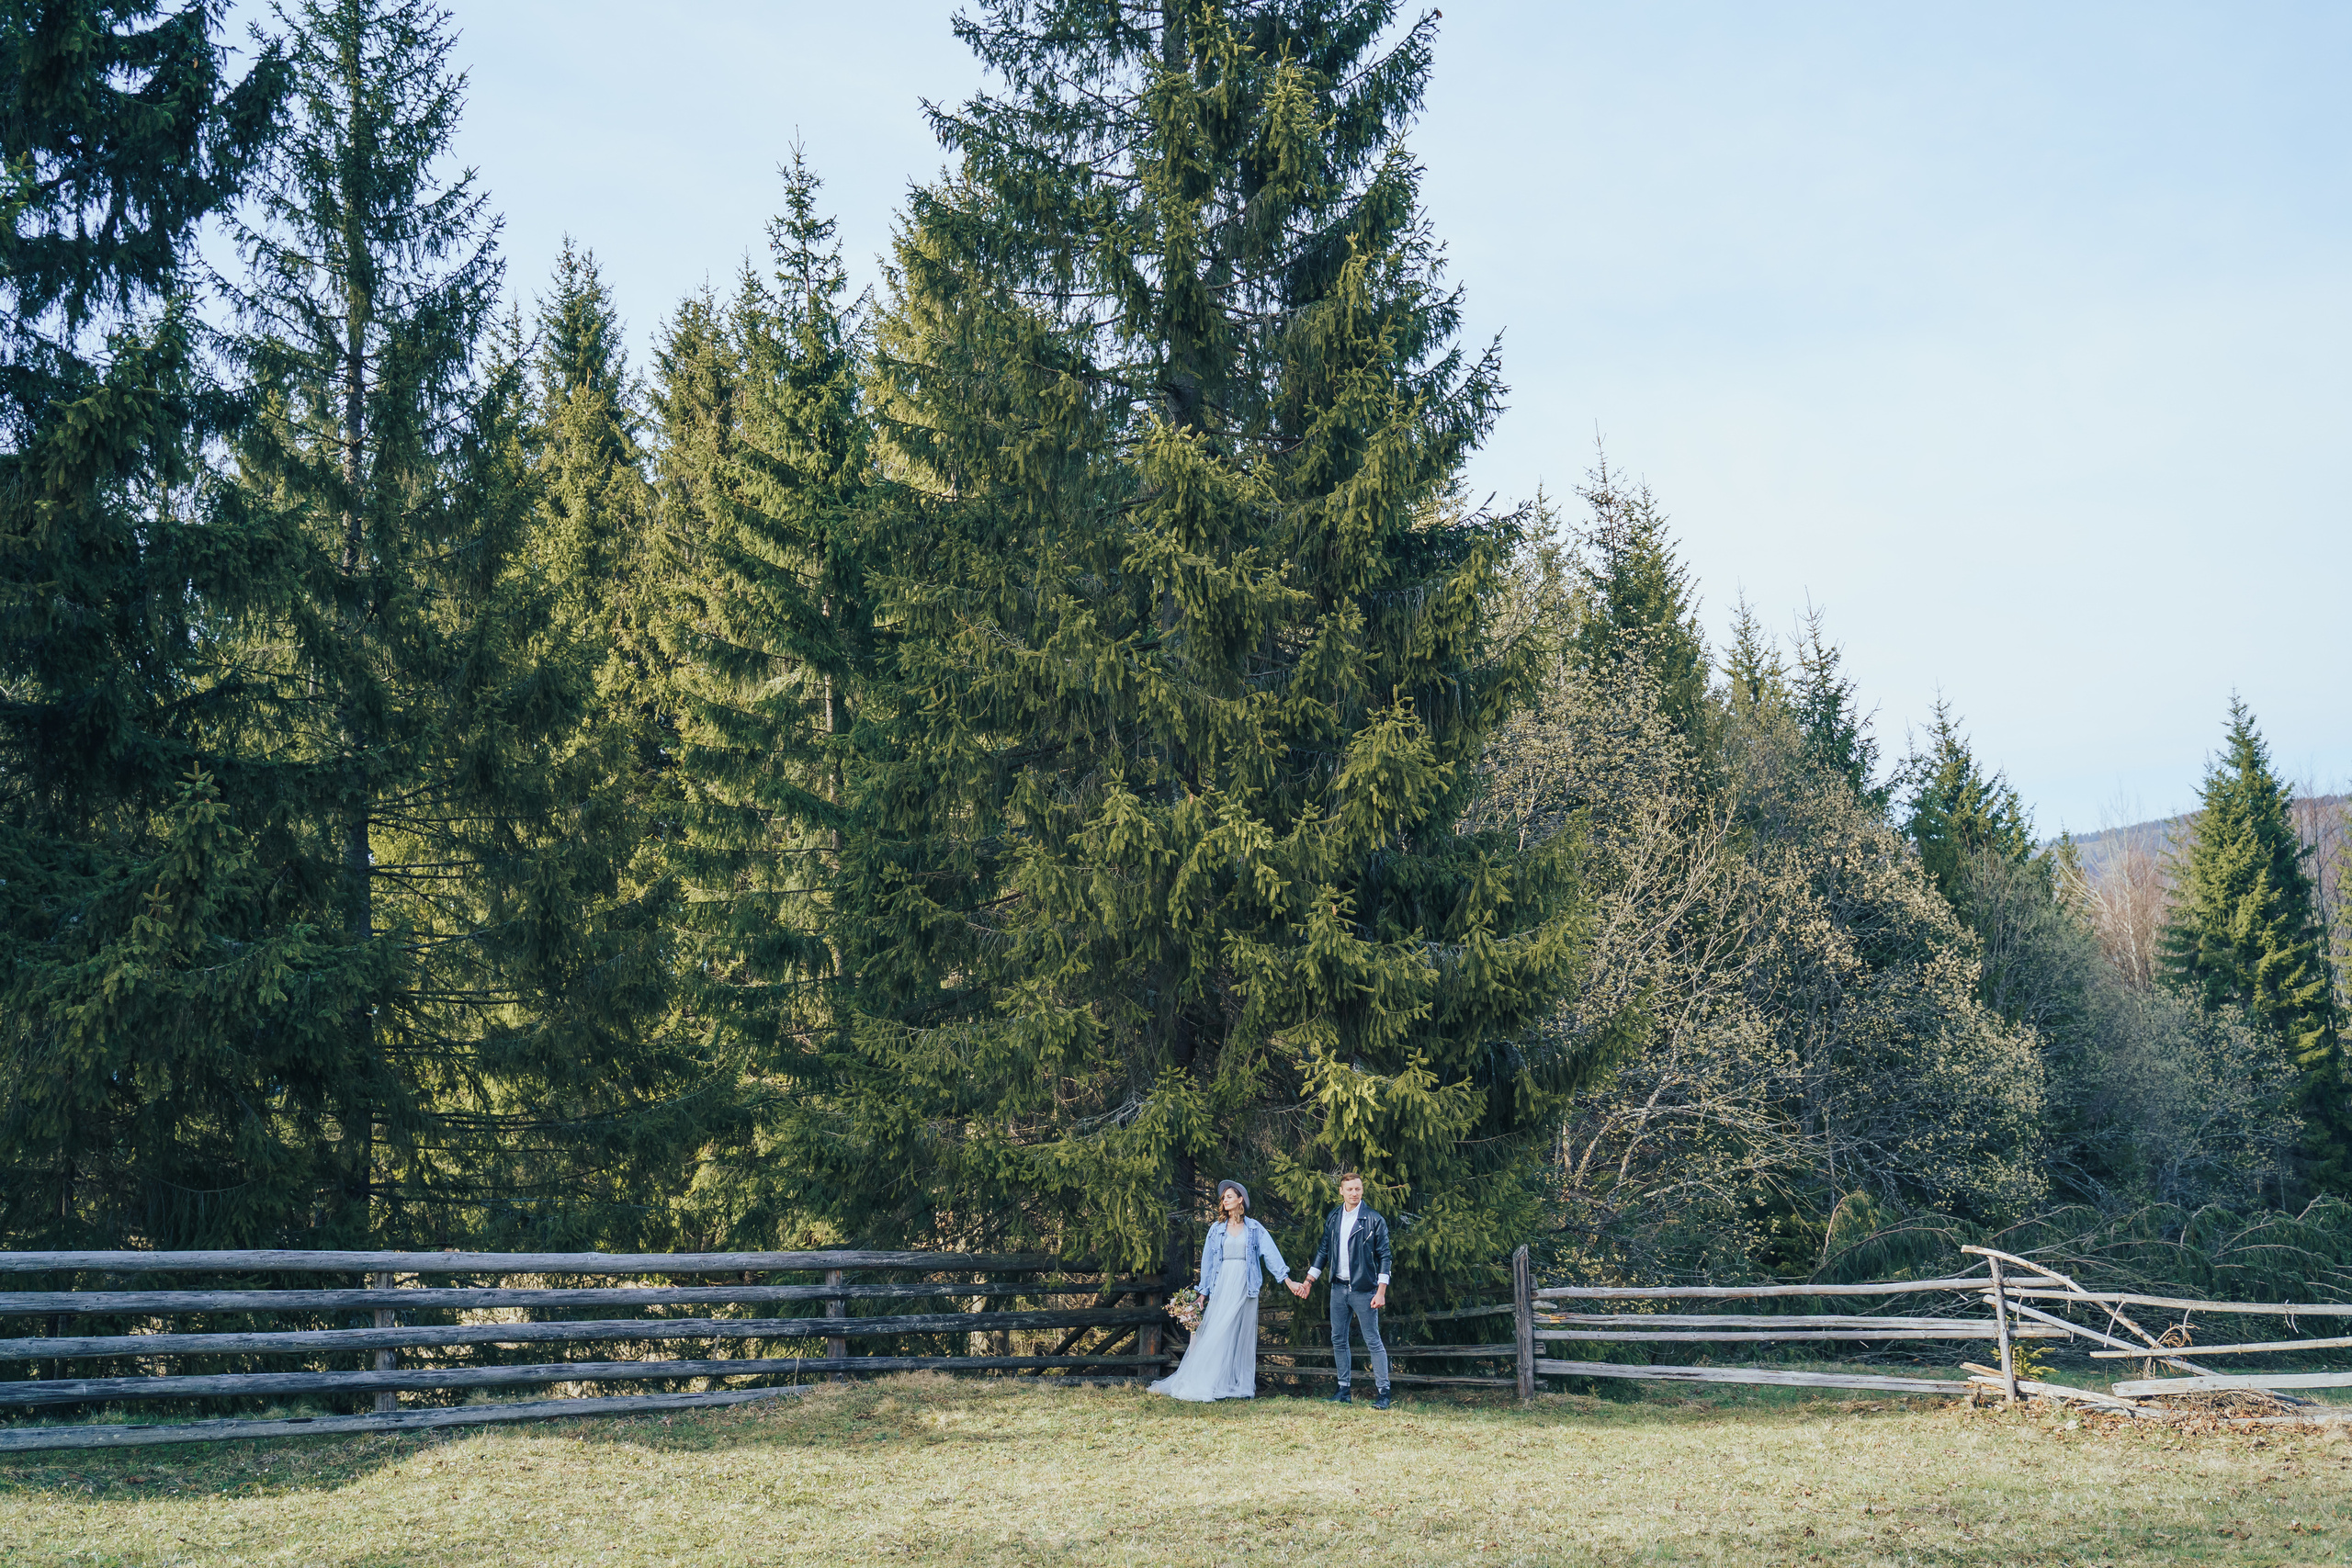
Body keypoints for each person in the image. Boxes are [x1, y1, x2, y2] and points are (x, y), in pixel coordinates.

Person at [1148, 1179, 1295, 1402]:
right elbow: (1207, 1262)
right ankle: (1205, 1381)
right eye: (1223, 1197)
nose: (1224, 1200)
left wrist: (1287, 1280)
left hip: (1246, 1285)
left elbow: (1271, 1255)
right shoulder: (1216, 1230)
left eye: (1229, 1196)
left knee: (1242, 1336)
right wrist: (1202, 1294)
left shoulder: (1254, 1228)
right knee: (1217, 1331)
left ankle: (1240, 1387)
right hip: (1223, 1283)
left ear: (1240, 1200)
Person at [1290, 1171, 1392, 1409]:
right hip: (1337, 1289)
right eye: (1350, 1189)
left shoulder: (1374, 1220)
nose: (1354, 1193)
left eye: (1358, 1189)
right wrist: (1309, 1281)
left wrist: (1381, 1291)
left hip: (1365, 1291)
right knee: (1338, 1339)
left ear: (1362, 1190)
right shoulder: (1334, 1217)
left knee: (1372, 1340)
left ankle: (1384, 1393)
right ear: (1341, 1191)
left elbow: (1385, 1256)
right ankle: (1343, 1390)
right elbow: (1324, 1251)